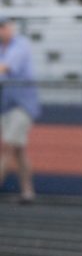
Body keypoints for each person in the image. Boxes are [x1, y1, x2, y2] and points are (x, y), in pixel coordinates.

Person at [0, 17, 41, 203]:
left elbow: (5, 68)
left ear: (10, 27)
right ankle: (28, 192)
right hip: (5, 105)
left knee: (6, 146)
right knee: (19, 149)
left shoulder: (20, 45)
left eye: (2, 27)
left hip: (22, 105)